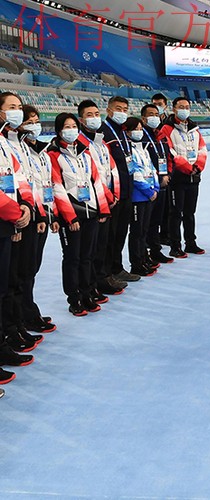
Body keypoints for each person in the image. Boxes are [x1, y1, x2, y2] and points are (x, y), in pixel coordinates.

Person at [48, 113, 111, 316]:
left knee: (87, 256)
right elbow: (56, 188)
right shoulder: (53, 155)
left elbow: (97, 182)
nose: (71, 130)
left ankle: (87, 292)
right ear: (59, 131)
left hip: (91, 212)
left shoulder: (85, 153)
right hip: (72, 216)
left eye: (74, 126)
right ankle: (74, 297)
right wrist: (69, 217)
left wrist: (102, 208)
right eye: (67, 126)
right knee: (73, 258)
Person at [0, 92, 42, 352]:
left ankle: (10, 333)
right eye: (12, 107)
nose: (17, 111)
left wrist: (26, 204)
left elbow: (19, 178)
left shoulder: (4, 142)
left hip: (12, 219)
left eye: (19, 106)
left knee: (9, 283)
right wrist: (17, 215)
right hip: (8, 219)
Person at [12, 104, 57, 334]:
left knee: (32, 269)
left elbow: (44, 186)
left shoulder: (37, 151)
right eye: (29, 122)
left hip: (40, 214)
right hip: (25, 216)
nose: (34, 126)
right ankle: (22, 316)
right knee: (23, 271)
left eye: (37, 121)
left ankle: (29, 311)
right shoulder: (16, 149)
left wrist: (49, 214)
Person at [79, 100, 125, 297]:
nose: (94, 118)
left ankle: (104, 276)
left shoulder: (101, 142)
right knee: (94, 246)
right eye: (90, 114)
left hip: (108, 198)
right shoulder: (81, 143)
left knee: (106, 241)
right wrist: (107, 195)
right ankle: (94, 281)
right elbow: (92, 174)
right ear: (81, 120)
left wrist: (114, 193)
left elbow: (111, 168)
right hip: (94, 200)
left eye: (96, 114)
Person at [158, 97, 208, 258]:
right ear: (174, 109)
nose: (184, 109)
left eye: (187, 107)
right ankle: (175, 245)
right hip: (178, 177)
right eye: (181, 107)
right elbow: (169, 152)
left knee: (190, 212)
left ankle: (190, 243)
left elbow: (202, 149)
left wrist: (198, 166)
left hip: (194, 177)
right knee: (175, 213)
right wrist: (187, 167)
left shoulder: (195, 129)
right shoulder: (167, 128)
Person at [99, 96, 140, 283]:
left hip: (127, 191)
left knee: (121, 232)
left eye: (125, 109)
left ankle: (117, 267)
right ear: (108, 110)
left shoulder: (123, 132)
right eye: (118, 108)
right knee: (110, 236)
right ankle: (106, 272)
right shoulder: (103, 132)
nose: (121, 112)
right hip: (113, 194)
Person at [121, 117, 159, 277]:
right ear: (128, 132)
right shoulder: (128, 149)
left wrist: (155, 187)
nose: (139, 132)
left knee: (144, 230)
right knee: (136, 232)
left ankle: (144, 258)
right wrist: (148, 191)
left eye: (141, 128)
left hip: (150, 193)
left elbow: (151, 168)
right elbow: (134, 173)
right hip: (138, 196)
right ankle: (136, 263)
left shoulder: (143, 147)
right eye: (136, 129)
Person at [140, 104, 173, 265]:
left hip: (163, 184)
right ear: (144, 118)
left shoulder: (161, 136)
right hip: (149, 186)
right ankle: (143, 254)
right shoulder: (141, 137)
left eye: (156, 114)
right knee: (145, 224)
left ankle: (155, 250)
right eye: (150, 114)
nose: (155, 117)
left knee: (156, 221)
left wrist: (167, 174)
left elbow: (168, 158)